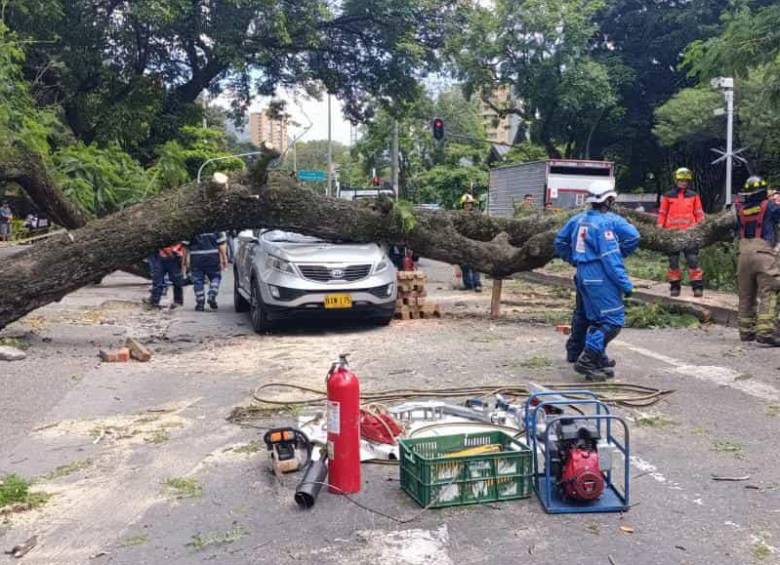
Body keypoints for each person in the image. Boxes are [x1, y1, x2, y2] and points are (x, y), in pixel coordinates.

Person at [554, 185, 640, 380]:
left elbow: (559, 242)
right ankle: (587, 361)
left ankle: (592, 356)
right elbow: (612, 257)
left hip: (583, 273)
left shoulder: (578, 219)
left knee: (591, 318)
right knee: (612, 321)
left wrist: (575, 259)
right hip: (600, 276)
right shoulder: (606, 224)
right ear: (609, 201)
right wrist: (625, 284)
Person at [734, 176, 780, 346]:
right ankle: (766, 333)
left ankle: (746, 332)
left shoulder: (740, 209)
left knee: (746, 294)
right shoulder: (769, 206)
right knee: (770, 291)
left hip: (743, 255)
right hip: (763, 254)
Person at [657, 167, 706, 297]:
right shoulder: (668, 196)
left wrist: (702, 227)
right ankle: (674, 287)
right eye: (681, 180)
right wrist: (660, 228)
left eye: (685, 180)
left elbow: (699, 213)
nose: (683, 182)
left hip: (690, 233)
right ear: (676, 180)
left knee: (693, 260)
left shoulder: (694, 196)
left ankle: (697, 287)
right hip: (672, 233)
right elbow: (662, 213)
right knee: (673, 262)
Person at [184, 232, 228, 311]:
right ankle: (212, 293)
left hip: (196, 258)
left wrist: (185, 261)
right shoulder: (215, 228)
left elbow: (185, 247)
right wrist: (224, 258)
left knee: (197, 280)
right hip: (212, 257)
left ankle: (200, 302)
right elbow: (221, 244)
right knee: (215, 277)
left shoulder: (191, 228)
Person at [458, 194, 482, 292]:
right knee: (464, 265)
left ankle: (477, 284)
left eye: (469, 204)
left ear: (472, 204)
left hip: (474, 242)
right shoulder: (459, 215)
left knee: (475, 265)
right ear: (463, 205)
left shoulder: (477, 215)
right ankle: (468, 284)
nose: (468, 205)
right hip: (463, 242)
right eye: (466, 204)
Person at [148, 244, 185, 309]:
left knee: (177, 281)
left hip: (174, 257)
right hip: (159, 257)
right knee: (158, 281)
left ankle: (178, 301)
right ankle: (154, 301)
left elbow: (181, 244)